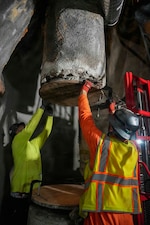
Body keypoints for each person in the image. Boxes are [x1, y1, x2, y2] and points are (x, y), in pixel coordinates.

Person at [78, 80, 142, 225]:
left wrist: (83, 92)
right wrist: (112, 112)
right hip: (126, 214)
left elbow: (85, 118)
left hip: (102, 213)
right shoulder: (133, 150)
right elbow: (117, 134)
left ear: (113, 126)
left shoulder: (100, 144)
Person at [3, 102, 53, 225]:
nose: (23, 128)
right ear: (15, 132)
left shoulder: (32, 145)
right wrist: (41, 109)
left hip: (33, 192)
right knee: (17, 220)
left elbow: (45, 134)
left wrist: (50, 116)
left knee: (28, 220)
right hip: (19, 193)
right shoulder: (17, 142)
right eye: (20, 128)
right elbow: (31, 127)